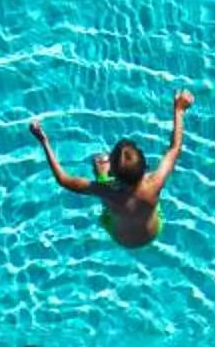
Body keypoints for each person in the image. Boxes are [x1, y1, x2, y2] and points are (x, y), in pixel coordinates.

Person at [30, 91, 193, 247]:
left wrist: (44, 141)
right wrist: (179, 110)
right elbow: (174, 148)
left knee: (104, 183)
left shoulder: (105, 190)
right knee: (150, 206)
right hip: (153, 232)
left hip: (121, 239)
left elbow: (63, 179)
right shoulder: (156, 181)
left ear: (112, 172)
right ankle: (112, 172)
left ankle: (102, 173)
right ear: (144, 167)